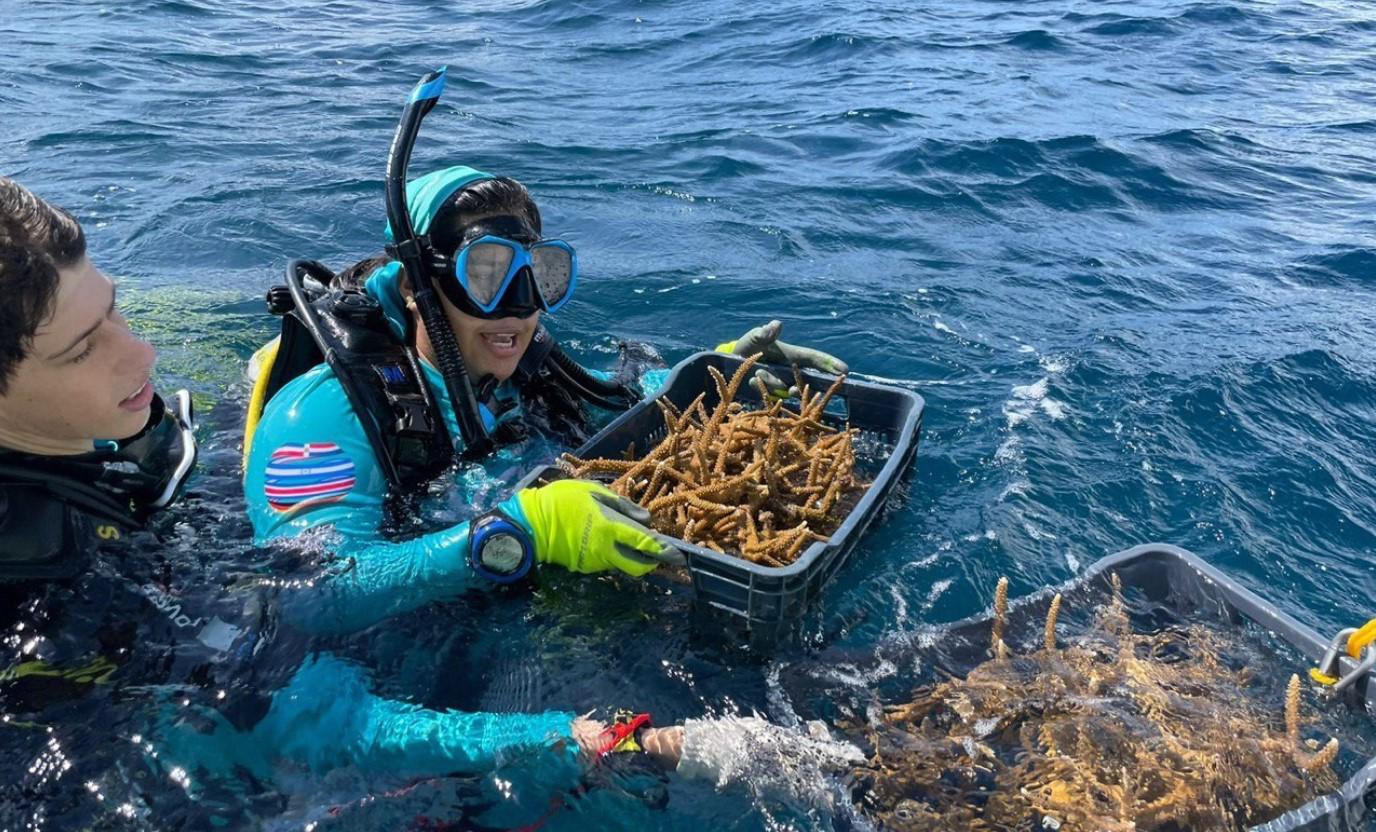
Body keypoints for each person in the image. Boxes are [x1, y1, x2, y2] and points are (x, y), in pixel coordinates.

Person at [0, 176, 738, 828]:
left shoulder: (96, 438)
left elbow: (600, 408)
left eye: (117, 314)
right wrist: (514, 544)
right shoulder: (38, 583)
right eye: (79, 348)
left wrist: (708, 384)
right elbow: (284, 670)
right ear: (421, 283)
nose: (142, 356)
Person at [241, 68, 849, 622]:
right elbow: (311, 596)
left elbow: (623, 404)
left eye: (538, 274)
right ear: (414, 287)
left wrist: (720, 373)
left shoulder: (520, 368)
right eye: (487, 273)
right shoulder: (319, 414)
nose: (522, 306)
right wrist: (518, 533)